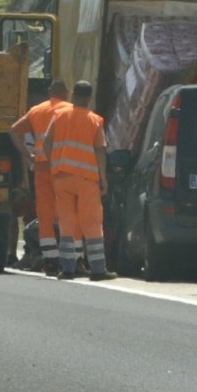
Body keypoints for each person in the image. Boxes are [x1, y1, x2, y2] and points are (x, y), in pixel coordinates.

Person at [43, 80, 116, 281]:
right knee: (91, 223)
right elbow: (100, 151)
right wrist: (103, 178)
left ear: (73, 94)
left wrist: (54, 164)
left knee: (66, 222)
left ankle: (67, 269)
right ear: (89, 97)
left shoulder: (59, 115)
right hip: (86, 178)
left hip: (62, 177)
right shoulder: (94, 120)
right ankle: (98, 270)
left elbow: (46, 143)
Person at [9, 79, 71, 276]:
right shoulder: (71, 111)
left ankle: (50, 261)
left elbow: (13, 131)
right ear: (67, 93)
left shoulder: (37, 110)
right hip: (64, 168)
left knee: (44, 215)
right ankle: (70, 259)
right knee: (67, 213)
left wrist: (28, 156)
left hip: (41, 168)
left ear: (49, 92)